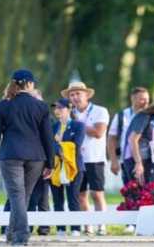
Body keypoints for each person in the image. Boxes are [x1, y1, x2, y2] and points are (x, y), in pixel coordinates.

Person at [0, 69, 54, 245]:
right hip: (36, 157)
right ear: (31, 84)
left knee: (17, 196)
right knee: (22, 197)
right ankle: (14, 235)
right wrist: (51, 163)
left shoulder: (3, 105)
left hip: (10, 155)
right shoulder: (41, 106)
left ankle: (19, 236)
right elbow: (47, 137)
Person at [62, 81, 110, 236]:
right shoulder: (68, 112)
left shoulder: (99, 111)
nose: (75, 97)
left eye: (78, 94)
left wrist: (76, 124)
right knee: (80, 195)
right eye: (72, 94)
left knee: (97, 193)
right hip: (76, 159)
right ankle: (87, 226)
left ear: (86, 95)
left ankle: (101, 225)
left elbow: (98, 132)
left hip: (95, 158)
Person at [49, 98, 85, 237]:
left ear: (69, 109)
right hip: (56, 167)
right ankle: (61, 229)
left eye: (60, 108)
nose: (57, 111)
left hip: (74, 167)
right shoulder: (52, 127)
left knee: (73, 199)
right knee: (57, 200)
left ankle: (75, 228)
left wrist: (57, 145)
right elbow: (49, 146)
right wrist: (59, 147)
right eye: (55, 108)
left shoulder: (78, 126)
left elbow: (75, 146)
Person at [108, 87, 150, 185]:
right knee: (130, 193)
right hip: (127, 160)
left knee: (149, 194)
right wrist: (114, 160)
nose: (146, 103)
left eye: (147, 100)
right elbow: (111, 139)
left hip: (147, 160)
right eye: (142, 99)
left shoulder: (150, 115)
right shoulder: (122, 116)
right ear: (133, 99)